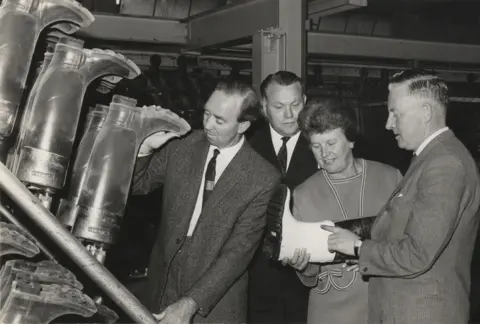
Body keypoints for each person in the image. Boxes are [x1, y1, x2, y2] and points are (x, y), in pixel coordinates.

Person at [323, 69, 480, 324]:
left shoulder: (445, 163)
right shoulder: (430, 157)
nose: (388, 123)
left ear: (426, 113)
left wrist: (357, 247)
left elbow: (418, 253)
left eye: (395, 113)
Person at [132, 79, 281, 323]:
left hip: (214, 303)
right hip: (162, 286)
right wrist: (145, 147)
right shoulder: (181, 145)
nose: (208, 125)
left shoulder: (262, 178)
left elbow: (237, 253)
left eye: (219, 120)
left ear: (243, 125)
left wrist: (191, 303)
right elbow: (138, 185)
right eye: (206, 114)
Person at [285, 98, 402, 324]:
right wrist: (302, 267)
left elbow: (409, 244)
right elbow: (310, 276)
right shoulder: (303, 195)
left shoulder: (391, 178)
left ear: (350, 141)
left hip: (386, 305)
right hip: (331, 312)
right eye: (316, 146)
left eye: (331, 143)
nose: (324, 154)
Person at [248, 71, 318, 323]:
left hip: (310, 281)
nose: (289, 115)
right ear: (264, 107)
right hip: (255, 282)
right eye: (279, 107)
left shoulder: (325, 145)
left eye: (295, 105)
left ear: (305, 102)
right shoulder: (245, 148)